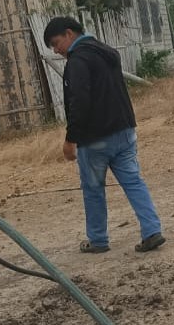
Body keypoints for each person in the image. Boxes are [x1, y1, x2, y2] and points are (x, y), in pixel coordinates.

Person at [43, 16, 166, 254]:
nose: (56, 50)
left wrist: (70, 139)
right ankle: (152, 231)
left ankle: (98, 240)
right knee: (133, 182)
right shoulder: (107, 52)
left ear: (69, 34)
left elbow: (79, 102)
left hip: (95, 138)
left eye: (56, 43)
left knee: (93, 189)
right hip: (124, 131)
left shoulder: (78, 61)